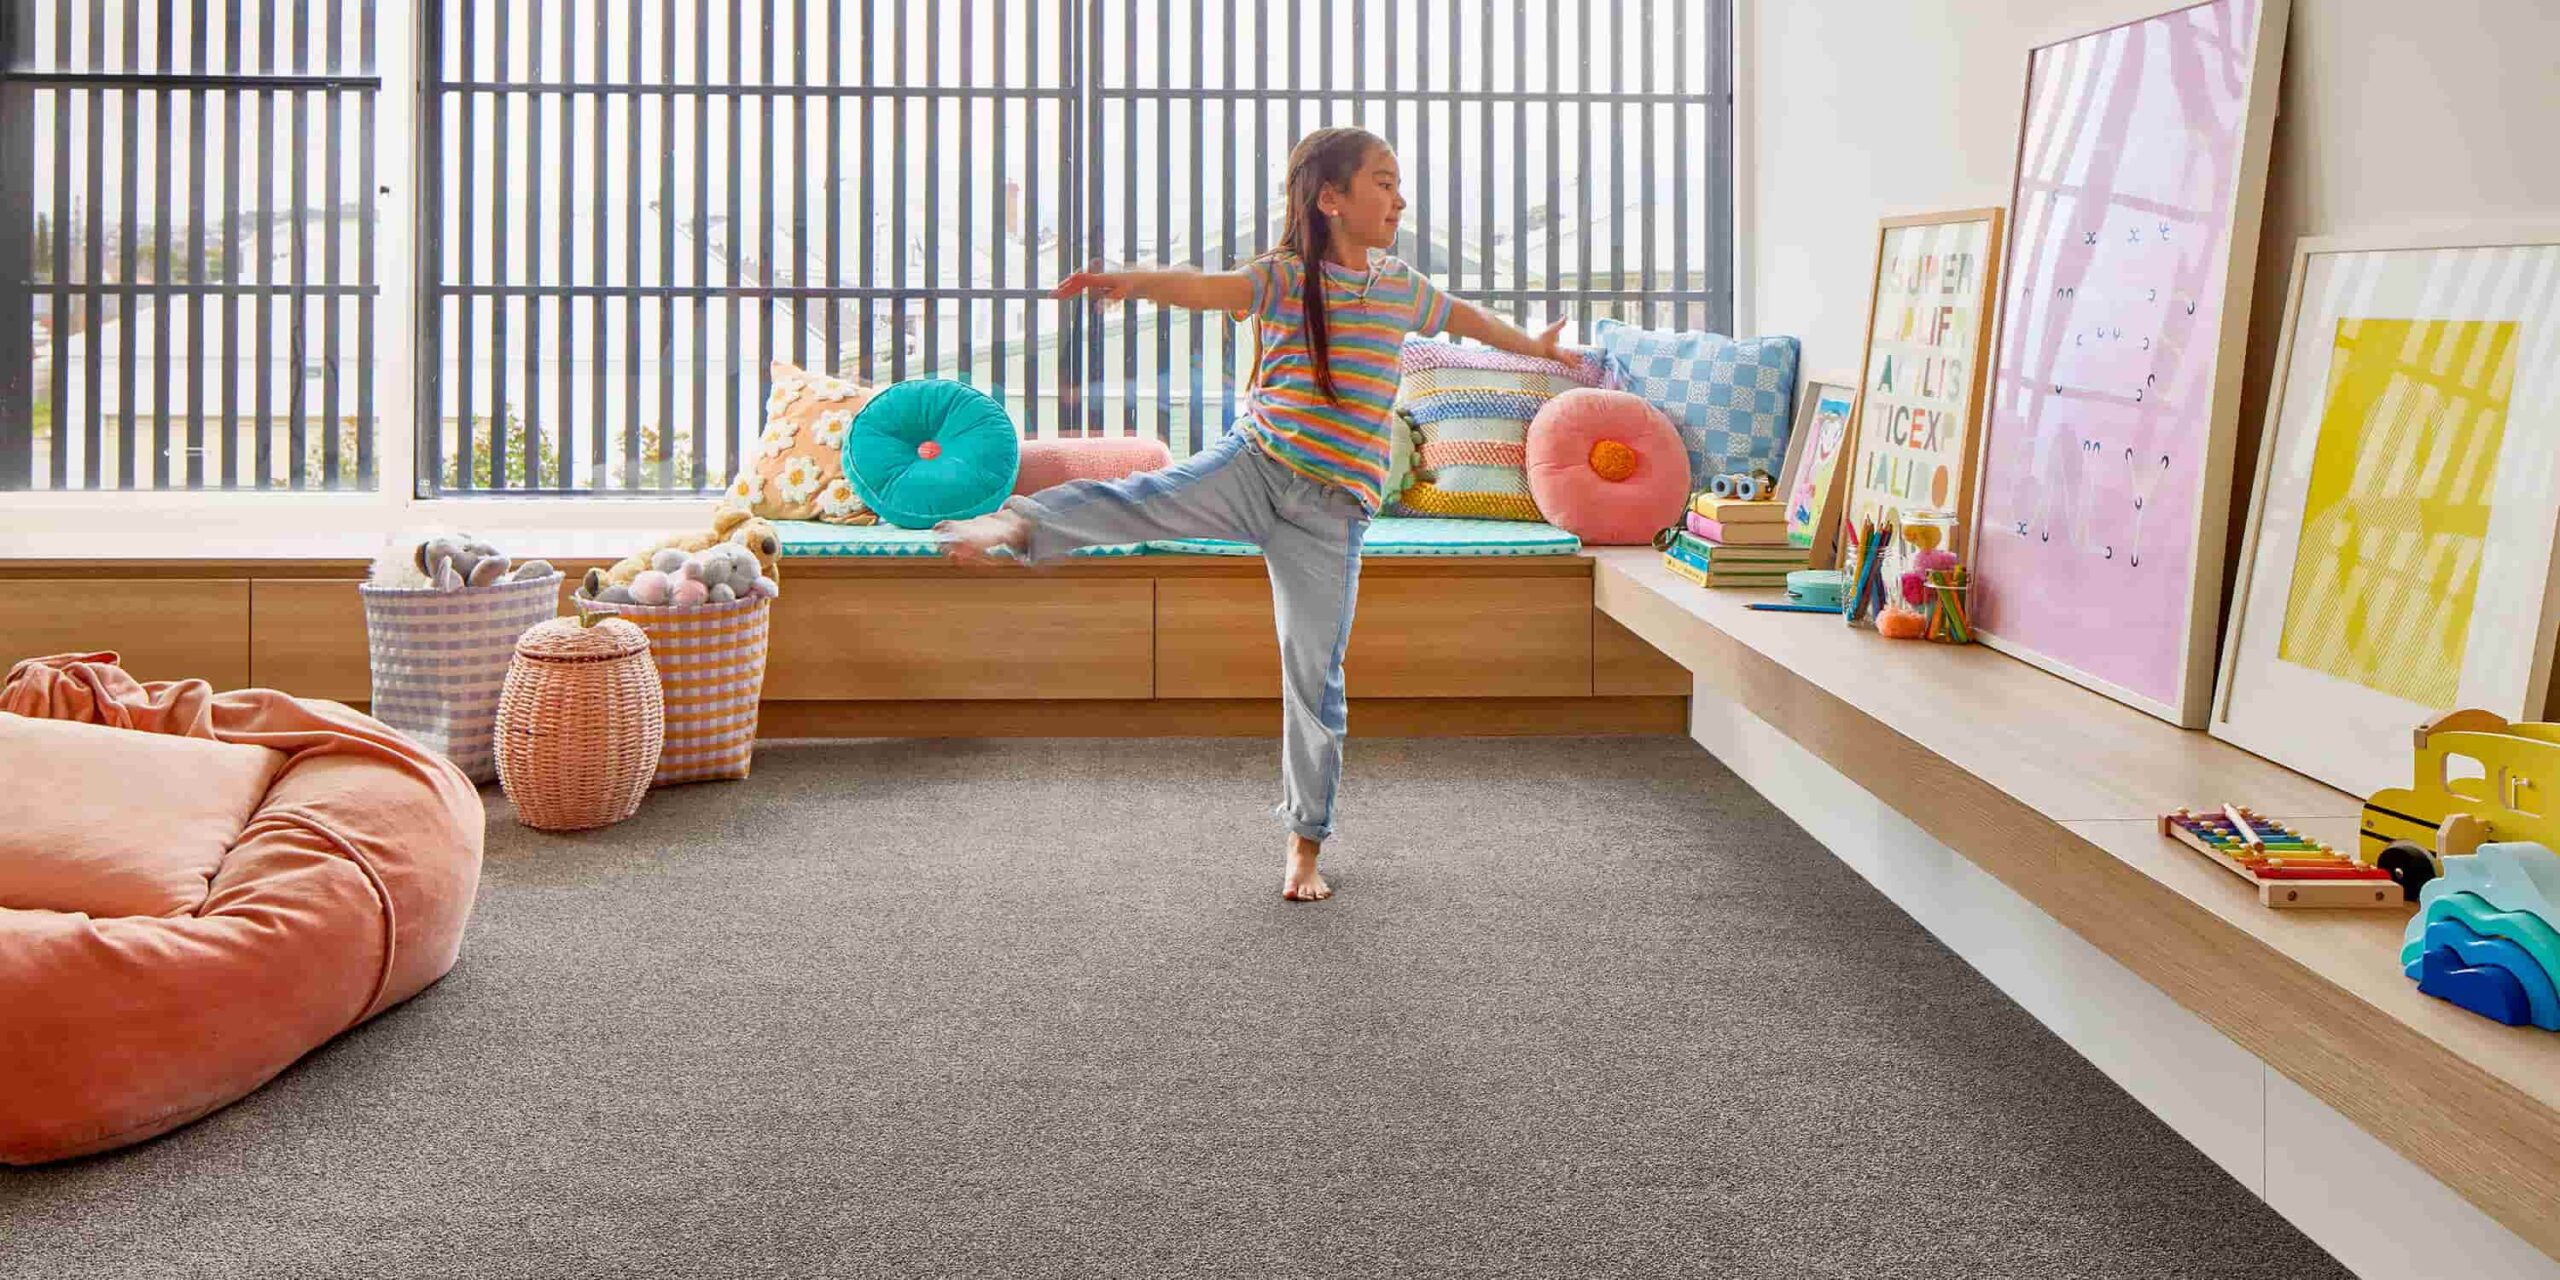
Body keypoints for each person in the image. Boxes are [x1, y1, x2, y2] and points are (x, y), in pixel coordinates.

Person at [936, 126, 1577, 903]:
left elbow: (1470, 321)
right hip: (1256, 468)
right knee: (1144, 499)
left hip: (1330, 514)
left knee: (1316, 677)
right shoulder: (1283, 277)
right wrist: (1131, 282)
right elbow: (1203, 287)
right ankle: (1020, 524)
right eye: (1383, 180)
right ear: (1331, 198)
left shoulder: (1400, 286)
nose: (1399, 197)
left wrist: (1533, 346)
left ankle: (1305, 845)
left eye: (1399, 183)